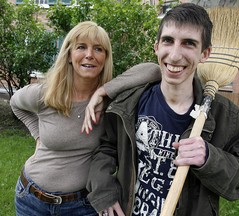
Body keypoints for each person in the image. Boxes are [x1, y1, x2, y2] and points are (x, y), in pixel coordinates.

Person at [85, 3, 239, 216]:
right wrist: (104, 194)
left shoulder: (228, 118)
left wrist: (209, 158)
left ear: (205, 53)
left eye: (188, 43)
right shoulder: (130, 102)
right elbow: (106, 149)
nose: (175, 55)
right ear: (157, 46)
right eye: (168, 41)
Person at [10, 21, 160, 216]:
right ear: (69, 55)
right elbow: (15, 103)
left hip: (81, 205)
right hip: (31, 199)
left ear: (105, 58)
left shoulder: (110, 101)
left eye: (98, 49)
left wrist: (101, 92)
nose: (89, 54)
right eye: (81, 47)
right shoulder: (46, 94)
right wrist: (37, 135)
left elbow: (154, 70)